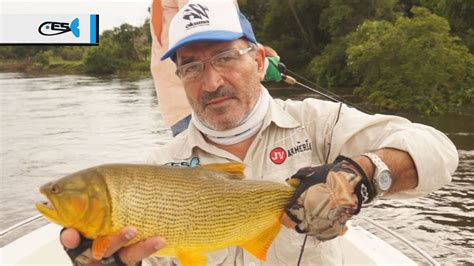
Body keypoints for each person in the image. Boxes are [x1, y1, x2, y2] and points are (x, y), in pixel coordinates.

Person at [60, 0, 458, 265]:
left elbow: (438, 151)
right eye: (191, 67)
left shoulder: (320, 124)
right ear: (178, 77)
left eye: (225, 57)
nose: (211, 82)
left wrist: (362, 175)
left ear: (259, 58)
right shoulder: (156, 172)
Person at [150, 0, 280, 137]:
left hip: (176, 105)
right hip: (197, 109)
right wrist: (260, 63)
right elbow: (207, 21)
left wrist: (254, 54)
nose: (212, 84)